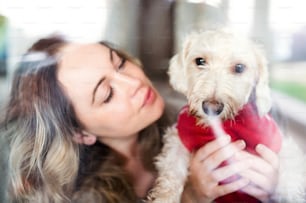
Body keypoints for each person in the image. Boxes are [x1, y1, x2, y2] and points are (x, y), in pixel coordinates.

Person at [0, 35, 296, 203]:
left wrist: (275, 186)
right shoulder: (81, 197)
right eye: (106, 94)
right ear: (80, 133)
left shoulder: (193, 116)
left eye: (121, 63)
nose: (134, 84)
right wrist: (191, 196)